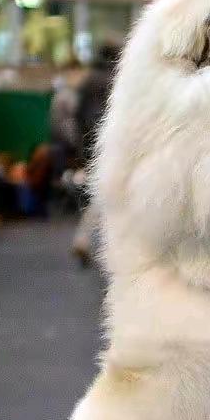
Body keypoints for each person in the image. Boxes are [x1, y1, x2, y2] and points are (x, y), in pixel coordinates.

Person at [71, 41, 119, 265]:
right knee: (108, 195)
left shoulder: (87, 80)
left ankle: (84, 239)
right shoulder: (115, 80)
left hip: (89, 145)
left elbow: (77, 116)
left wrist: (80, 149)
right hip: (110, 144)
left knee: (100, 194)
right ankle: (88, 241)